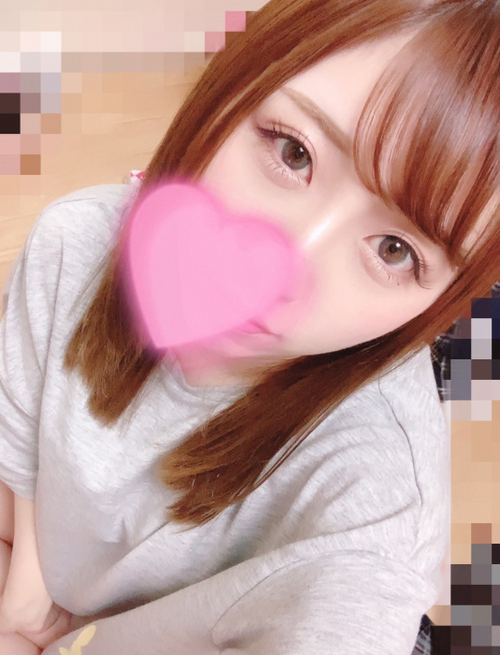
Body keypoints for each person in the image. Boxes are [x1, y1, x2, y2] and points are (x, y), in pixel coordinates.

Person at [0, 0, 498, 652]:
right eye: (294, 152)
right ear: (233, 84)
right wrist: (28, 593)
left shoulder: (374, 512)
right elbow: (23, 439)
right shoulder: (74, 244)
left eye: (394, 250)